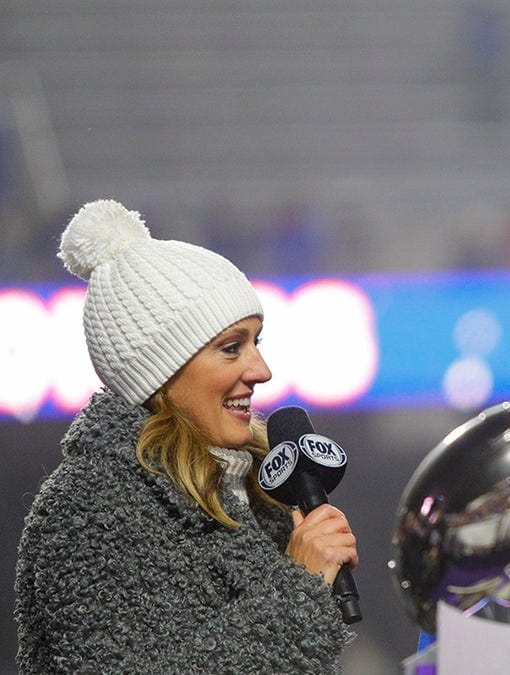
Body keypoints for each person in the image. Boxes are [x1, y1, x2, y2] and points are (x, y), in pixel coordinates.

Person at [14, 199, 358, 672]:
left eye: (256, 342)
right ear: (161, 371)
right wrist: (299, 588)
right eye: (231, 348)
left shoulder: (258, 488)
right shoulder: (87, 506)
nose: (261, 370)